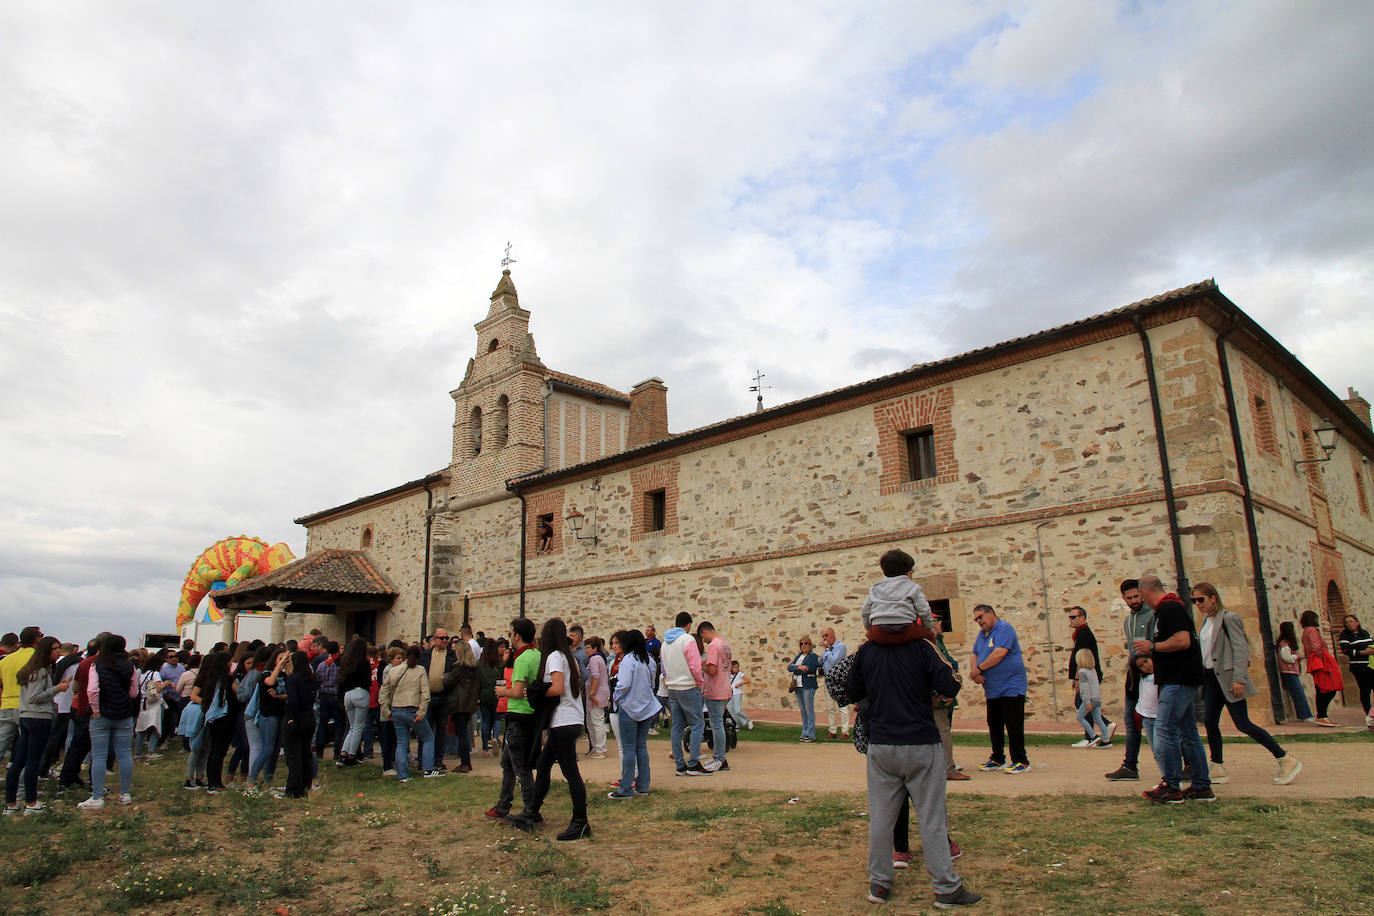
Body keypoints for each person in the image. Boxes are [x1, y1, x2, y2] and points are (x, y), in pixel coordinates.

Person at [843, 608, 981, 908]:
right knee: (931, 818)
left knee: (881, 818)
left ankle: (879, 884)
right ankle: (945, 887)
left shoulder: (867, 651)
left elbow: (849, 689)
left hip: (882, 744)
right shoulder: (923, 647)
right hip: (920, 740)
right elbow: (951, 683)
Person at [1194, 582, 1301, 785]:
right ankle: (1217, 765)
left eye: (1201, 599)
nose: (1198, 604)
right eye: (1195, 600)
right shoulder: (1206, 621)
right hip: (1211, 679)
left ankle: (1284, 758)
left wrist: (1238, 678)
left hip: (1227, 678)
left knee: (1243, 723)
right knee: (1209, 721)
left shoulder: (1229, 618)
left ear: (1213, 598)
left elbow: (1240, 649)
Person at [509, 618, 591, 841]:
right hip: (569, 719)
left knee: (571, 773)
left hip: (563, 721)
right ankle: (531, 812)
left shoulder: (555, 656)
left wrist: (534, 693)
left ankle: (580, 822)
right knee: (544, 765)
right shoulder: (569, 657)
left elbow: (555, 688)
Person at [1133, 574, 1212, 804]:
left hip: (1178, 679)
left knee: (1165, 729)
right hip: (1178, 679)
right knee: (1188, 732)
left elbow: (1183, 640)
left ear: (1146, 592)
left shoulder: (1169, 609)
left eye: (1141, 595)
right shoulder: (1167, 610)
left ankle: (1171, 785)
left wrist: (1152, 646)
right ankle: (1200, 786)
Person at [4, 637, 71, 814]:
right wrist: (57, 688)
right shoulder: (40, 671)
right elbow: (35, 697)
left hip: (26, 717)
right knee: (32, 761)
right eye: (55, 648)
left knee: (18, 761)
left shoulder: (31, 670)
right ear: (46, 651)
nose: (58, 651)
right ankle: (31, 803)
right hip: (38, 718)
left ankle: (11, 804)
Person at [486, 618, 539, 821]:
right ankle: (503, 805)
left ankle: (531, 810)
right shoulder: (537, 655)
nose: (510, 637)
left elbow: (517, 691)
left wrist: (503, 691)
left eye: (510, 633)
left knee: (521, 767)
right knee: (508, 764)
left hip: (519, 715)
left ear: (517, 636)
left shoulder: (522, 659)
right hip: (529, 714)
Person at [80, 634, 140, 810]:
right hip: (124, 714)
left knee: (98, 755)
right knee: (124, 754)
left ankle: (97, 796)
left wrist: (96, 711)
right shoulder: (130, 667)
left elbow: (92, 690)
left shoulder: (97, 665)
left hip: (102, 714)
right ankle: (125, 794)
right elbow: (134, 692)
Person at [970, 605, 1030, 774]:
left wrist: (979, 669)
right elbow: (974, 653)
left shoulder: (1004, 629)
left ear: (991, 613)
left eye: (981, 617)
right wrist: (974, 672)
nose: (979, 622)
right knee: (994, 724)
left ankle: (1021, 760)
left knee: (1013, 724)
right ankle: (997, 758)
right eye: (976, 619)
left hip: (1011, 686)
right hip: (993, 688)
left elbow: (999, 654)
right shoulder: (982, 635)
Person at [1107, 579, 1155, 780]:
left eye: (1137, 596)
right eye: (1129, 598)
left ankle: (1186, 763)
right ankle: (1130, 766)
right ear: (1124, 599)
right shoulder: (1128, 620)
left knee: (1161, 722)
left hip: (1152, 675)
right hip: (1134, 676)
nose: (1134, 600)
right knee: (1130, 720)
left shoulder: (1153, 615)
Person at [608, 629, 661, 800]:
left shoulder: (628, 660)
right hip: (646, 707)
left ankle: (626, 788)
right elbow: (653, 683)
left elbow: (623, 684)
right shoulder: (649, 660)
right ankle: (643, 786)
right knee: (641, 747)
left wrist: (616, 697)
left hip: (630, 707)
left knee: (629, 748)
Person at [379, 645, 437, 782]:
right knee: (428, 737)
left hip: (396, 709)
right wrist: (422, 711)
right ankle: (428, 768)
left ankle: (403, 774)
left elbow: (384, 691)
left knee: (402, 742)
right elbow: (425, 693)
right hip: (412, 709)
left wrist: (386, 711)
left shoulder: (394, 671)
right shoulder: (420, 670)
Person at [663, 612, 710, 774]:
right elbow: (695, 665)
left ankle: (680, 764)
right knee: (698, 724)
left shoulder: (665, 643)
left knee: (677, 726)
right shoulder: (687, 639)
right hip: (688, 686)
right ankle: (693, 763)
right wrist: (699, 682)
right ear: (688, 624)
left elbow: (663, 666)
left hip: (673, 687)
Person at [1066, 606, 1114, 748]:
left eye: (1073, 617)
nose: (1070, 620)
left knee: (1083, 704)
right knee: (1085, 704)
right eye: (1070, 617)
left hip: (1087, 676)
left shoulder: (1084, 634)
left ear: (1082, 618)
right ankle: (1103, 728)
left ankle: (1092, 736)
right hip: (1086, 675)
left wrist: (1077, 680)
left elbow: (1082, 659)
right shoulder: (1080, 633)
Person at [861, 549, 936, 631]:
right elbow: (924, 611)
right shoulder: (913, 587)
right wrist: (929, 629)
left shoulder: (874, 588)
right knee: (928, 641)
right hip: (905, 628)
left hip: (878, 629)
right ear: (909, 573)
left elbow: (865, 611)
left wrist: (869, 629)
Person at [929, 619, 966, 781]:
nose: (940, 624)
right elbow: (947, 663)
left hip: (940, 693)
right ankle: (948, 769)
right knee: (942, 731)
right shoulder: (931, 645)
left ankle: (942, 765)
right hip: (938, 695)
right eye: (936, 621)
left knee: (942, 729)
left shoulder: (935, 642)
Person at [277, 650, 317, 798]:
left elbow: (292, 700)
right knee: (305, 753)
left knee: (294, 756)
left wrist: (291, 718)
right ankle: (305, 785)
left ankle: (293, 789)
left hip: (296, 718)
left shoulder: (294, 679)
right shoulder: (310, 678)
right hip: (309, 717)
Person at [0, 627, 41, 764]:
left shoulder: (5, 660)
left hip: (6, 705)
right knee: (28, 746)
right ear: (36, 639)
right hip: (27, 707)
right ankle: (22, 780)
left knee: (1, 745)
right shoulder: (37, 657)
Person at [698, 622, 733, 772]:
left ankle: (720, 758)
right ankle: (719, 756)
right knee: (719, 723)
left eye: (702, 637)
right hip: (725, 687)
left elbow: (712, 670)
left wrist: (701, 666)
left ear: (705, 632)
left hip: (715, 690)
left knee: (716, 725)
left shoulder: (713, 646)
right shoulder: (725, 644)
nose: (703, 641)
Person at [442, 634, 479, 773]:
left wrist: (444, 676)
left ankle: (465, 762)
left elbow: (448, 681)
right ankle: (466, 761)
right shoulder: (473, 669)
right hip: (468, 703)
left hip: (459, 703)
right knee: (463, 733)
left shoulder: (459, 668)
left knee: (462, 733)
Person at [421, 629, 458, 770]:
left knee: (441, 730)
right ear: (435, 639)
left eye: (446, 638)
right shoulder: (426, 654)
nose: (444, 641)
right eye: (441, 638)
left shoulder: (451, 655)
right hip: (428, 697)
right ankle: (423, 760)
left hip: (443, 696)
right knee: (426, 729)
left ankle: (438, 759)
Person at [1300, 611, 1341, 726]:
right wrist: (1324, 657)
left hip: (1314, 663)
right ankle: (1322, 715)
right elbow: (1316, 647)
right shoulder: (1312, 630)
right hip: (1320, 663)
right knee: (1328, 689)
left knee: (1321, 689)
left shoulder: (1305, 631)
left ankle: (1322, 715)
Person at [337, 637, 371, 767]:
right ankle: (352, 755)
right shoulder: (363, 662)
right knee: (358, 727)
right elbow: (367, 681)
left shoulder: (346, 662)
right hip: (360, 692)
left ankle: (343, 753)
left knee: (351, 727)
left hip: (348, 694)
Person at [1274, 622, 1315, 724]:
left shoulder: (1286, 644)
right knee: (1298, 693)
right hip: (1288, 672)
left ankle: (1304, 714)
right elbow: (1286, 658)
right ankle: (1305, 715)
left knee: (1298, 693)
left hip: (1291, 671)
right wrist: (1297, 657)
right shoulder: (1285, 644)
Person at [1337, 614, 1372, 726]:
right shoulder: (1345, 636)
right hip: (1359, 667)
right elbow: (1346, 651)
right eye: (1347, 622)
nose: (1349, 624)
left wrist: (1370, 650)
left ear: (1357, 622)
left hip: (1371, 665)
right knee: (1365, 691)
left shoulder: (1365, 633)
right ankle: (1369, 716)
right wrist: (1361, 652)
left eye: (1351, 621)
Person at [1073, 648, 1110, 747]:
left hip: (1090, 699)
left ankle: (1093, 736)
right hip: (1097, 698)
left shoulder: (1082, 672)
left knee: (1080, 717)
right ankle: (1106, 739)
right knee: (1098, 719)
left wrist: (1087, 701)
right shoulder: (1093, 670)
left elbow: (1085, 688)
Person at [787, 636, 820, 743]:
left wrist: (797, 667)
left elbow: (808, 668)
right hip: (798, 686)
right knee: (803, 710)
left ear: (810, 645)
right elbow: (789, 667)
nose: (804, 646)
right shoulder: (799, 656)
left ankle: (810, 734)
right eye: (801, 644)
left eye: (806, 643)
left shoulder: (813, 656)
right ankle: (804, 731)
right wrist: (798, 667)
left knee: (809, 709)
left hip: (808, 685)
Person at [819, 627, 850, 739]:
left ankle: (845, 731)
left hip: (838, 679)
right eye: (823, 636)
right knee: (829, 706)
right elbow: (823, 661)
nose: (825, 638)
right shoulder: (827, 650)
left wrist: (827, 651)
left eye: (826, 635)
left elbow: (834, 660)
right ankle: (832, 730)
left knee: (842, 705)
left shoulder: (840, 647)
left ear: (832, 634)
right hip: (828, 679)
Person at [583, 636, 610, 759]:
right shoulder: (597, 659)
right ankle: (595, 747)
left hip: (596, 694)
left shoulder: (594, 660)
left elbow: (595, 677)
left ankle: (601, 749)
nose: (586, 650)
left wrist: (592, 694)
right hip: (596, 693)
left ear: (595, 648)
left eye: (588, 647)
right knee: (590, 722)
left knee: (597, 721)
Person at [477, 639, 502, 756]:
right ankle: (496, 738)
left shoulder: (480, 664)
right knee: (497, 718)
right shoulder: (499, 663)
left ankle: (485, 749)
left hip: (484, 695)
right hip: (497, 693)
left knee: (485, 721)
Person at [727, 659, 753, 731]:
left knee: (737, 710)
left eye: (737, 667)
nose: (736, 669)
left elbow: (748, 680)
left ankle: (747, 721)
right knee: (731, 711)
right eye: (734, 667)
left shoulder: (740, 674)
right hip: (729, 694)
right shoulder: (728, 674)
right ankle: (736, 725)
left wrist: (739, 684)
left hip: (737, 693)